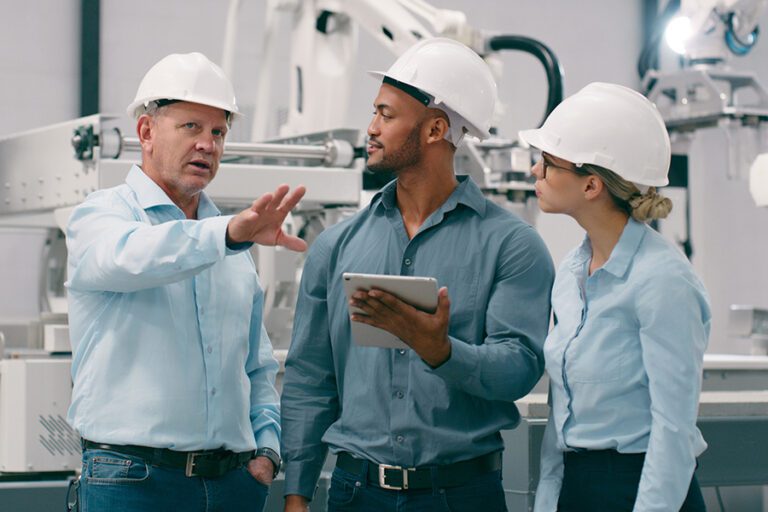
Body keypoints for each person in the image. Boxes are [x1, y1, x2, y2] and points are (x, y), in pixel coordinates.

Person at [280, 38, 555, 512]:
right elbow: (309, 378)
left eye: (386, 115)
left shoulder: (513, 245)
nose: (370, 128)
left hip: (463, 495)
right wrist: (297, 493)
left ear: (435, 129)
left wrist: (442, 352)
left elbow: (520, 369)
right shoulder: (335, 247)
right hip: (354, 493)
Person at [65, 52, 307, 512]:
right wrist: (230, 234)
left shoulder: (232, 244)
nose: (208, 145)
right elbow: (132, 257)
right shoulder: (102, 216)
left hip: (234, 483)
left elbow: (255, 365)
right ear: (146, 132)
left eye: (218, 132)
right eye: (191, 127)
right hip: (133, 483)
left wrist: (267, 451)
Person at [519, 82, 711, 512]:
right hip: (579, 486)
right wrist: (550, 500)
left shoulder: (663, 281)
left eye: (548, 163)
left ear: (591, 186)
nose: (535, 171)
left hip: (642, 489)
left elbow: (673, 432)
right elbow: (563, 415)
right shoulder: (570, 273)